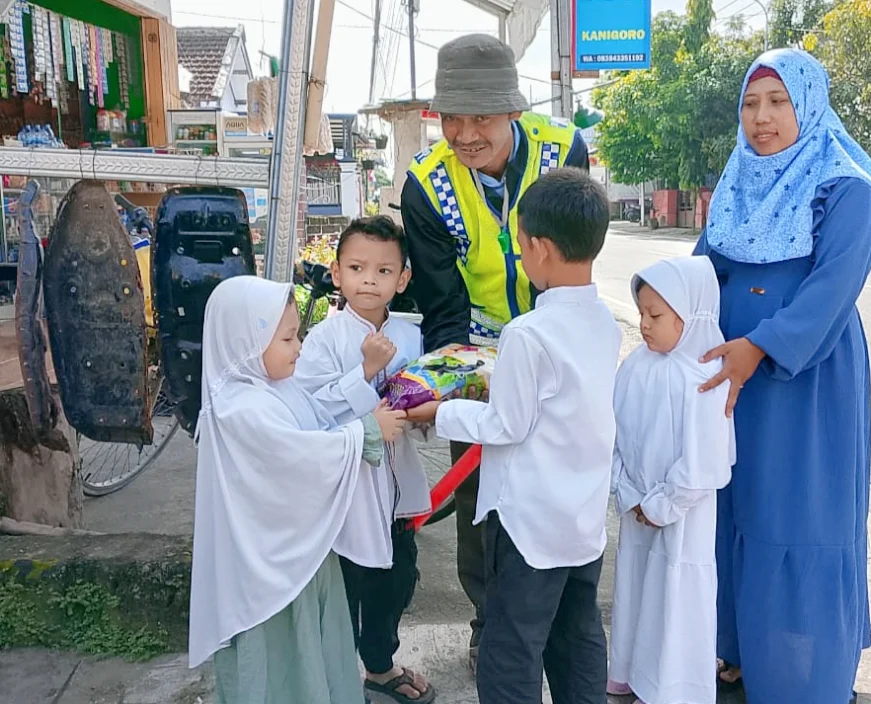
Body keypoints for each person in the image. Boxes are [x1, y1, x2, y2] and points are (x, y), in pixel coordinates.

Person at [695, 48, 871, 704]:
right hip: (733, 382)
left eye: (778, 101)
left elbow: (831, 291)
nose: (762, 118)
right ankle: (741, 649)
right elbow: (704, 271)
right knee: (737, 507)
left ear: (808, 104)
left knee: (799, 519)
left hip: (803, 386)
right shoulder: (737, 183)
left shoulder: (846, 188)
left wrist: (761, 346)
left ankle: (801, 680)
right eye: (751, 103)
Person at [400, 33, 590, 672]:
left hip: (558, 333)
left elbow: (573, 253)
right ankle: (489, 618)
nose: (464, 133)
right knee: (481, 488)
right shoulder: (426, 186)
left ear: (513, 110)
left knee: (558, 472)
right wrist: (460, 385)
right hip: (474, 345)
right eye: (451, 117)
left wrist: (545, 349)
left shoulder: (565, 149)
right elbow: (442, 304)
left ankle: (562, 607)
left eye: (480, 117)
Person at [410, 168, 621, 703]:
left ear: (542, 249)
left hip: (529, 524)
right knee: (578, 638)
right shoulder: (604, 322)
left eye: (518, 243)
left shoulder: (528, 333)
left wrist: (441, 411)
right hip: (581, 520)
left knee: (512, 649)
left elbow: (507, 425)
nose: (518, 253)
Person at [188, 275, 406, 703]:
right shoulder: (240, 408)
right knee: (282, 661)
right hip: (267, 574)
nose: (299, 346)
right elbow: (299, 457)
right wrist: (364, 433)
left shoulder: (270, 389)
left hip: (296, 556)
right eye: (287, 337)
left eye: (298, 334)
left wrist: (363, 405)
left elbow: (318, 411)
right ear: (246, 342)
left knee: (314, 650)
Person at [294, 216, 435, 704]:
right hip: (348, 491)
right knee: (347, 581)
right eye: (356, 267)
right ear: (336, 274)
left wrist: (424, 415)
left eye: (382, 271)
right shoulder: (324, 340)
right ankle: (332, 672)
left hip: (395, 490)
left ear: (403, 279)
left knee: (396, 577)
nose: (368, 280)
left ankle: (379, 664)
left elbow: (423, 398)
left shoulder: (412, 337)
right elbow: (311, 408)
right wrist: (367, 370)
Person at [607, 256, 736, 704]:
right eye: (641, 313)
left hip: (681, 520)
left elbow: (704, 464)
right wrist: (628, 495)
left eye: (656, 315)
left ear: (693, 314)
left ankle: (669, 688)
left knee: (676, 598)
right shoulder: (635, 368)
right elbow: (614, 437)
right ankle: (631, 674)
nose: (643, 325)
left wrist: (660, 506)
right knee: (639, 589)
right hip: (636, 509)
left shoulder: (705, 379)